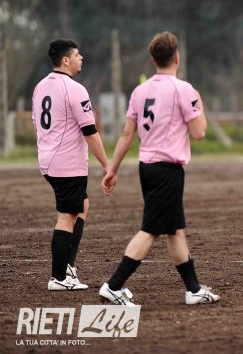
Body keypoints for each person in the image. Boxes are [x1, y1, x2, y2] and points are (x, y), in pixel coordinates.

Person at [99, 31, 219, 306]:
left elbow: (127, 133)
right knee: (151, 230)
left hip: (147, 167)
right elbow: (199, 132)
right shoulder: (183, 89)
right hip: (167, 169)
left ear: (153, 59)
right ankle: (113, 285)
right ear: (177, 57)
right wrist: (198, 104)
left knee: (174, 229)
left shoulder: (140, 91)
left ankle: (193, 289)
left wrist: (112, 169)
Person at [32, 39, 111, 291]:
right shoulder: (74, 89)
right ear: (66, 60)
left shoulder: (40, 86)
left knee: (82, 206)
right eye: (77, 54)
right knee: (67, 217)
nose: (81, 58)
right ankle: (59, 278)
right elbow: (90, 132)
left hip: (48, 159)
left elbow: (38, 124)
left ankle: (68, 266)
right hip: (66, 163)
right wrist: (107, 165)